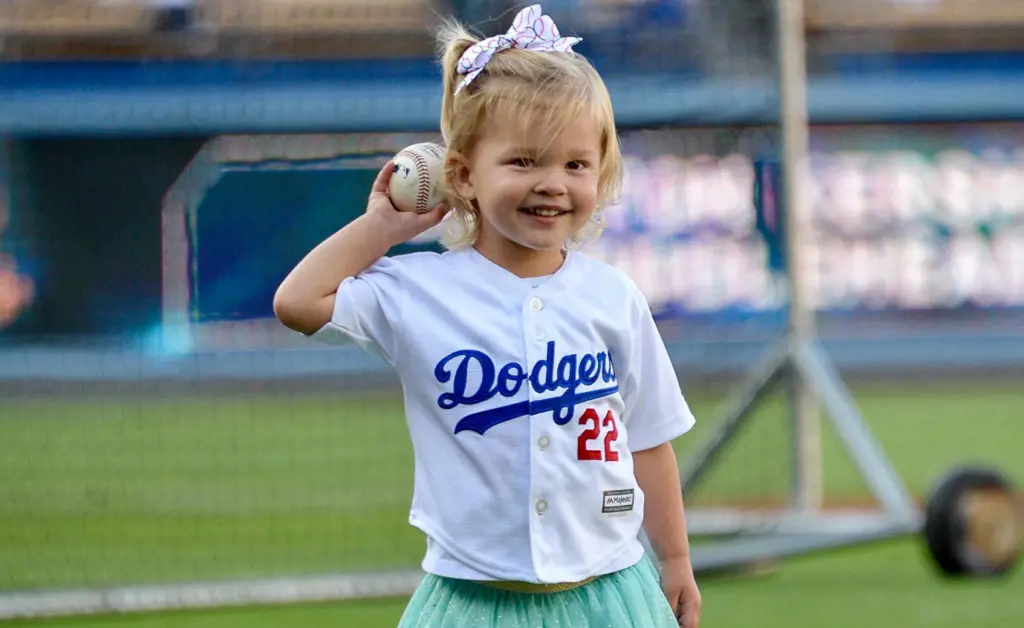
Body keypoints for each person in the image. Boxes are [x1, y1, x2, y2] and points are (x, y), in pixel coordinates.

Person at [273, 5, 701, 626]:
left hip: (610, 591)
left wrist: (677, 557)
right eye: (524, 162)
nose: (552, 183)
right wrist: (382, 228)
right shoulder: (418, 289)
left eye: (575, 164)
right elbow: (297, 303)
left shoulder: (614, 297)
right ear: (463, 175)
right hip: (474, 600)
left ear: (601, 173)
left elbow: (647, 442)